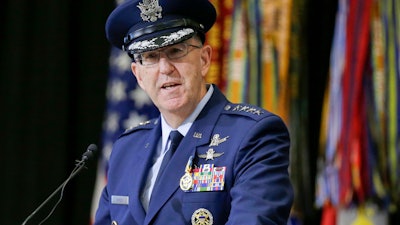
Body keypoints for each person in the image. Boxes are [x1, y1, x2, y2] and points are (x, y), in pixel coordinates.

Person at [94, 0, 294, 224]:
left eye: (176, 51)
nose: (165, 69)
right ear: (138, 75)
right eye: (150, 57)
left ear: (204, 59)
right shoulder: (126, 148)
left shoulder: (254, 135)